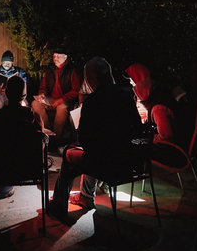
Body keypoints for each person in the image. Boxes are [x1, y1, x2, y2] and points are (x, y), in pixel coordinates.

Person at [48, 57, 141, 220]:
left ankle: (58, 204)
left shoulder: (93, 101)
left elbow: (85, 139)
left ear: (91, 78)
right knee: (95, 150)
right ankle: (85, 196)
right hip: (129, 162)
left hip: (105, 164)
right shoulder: (127, 97)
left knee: (71, 153)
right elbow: (137, 128)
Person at [0, 75, 43, 198]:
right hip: (28, 171)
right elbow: (40, 146)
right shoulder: (34, 118)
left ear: (6, 93)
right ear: (25, 96)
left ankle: (5, 189)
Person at [31, 48, 81, 144]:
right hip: (51, 99)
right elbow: (44, 85)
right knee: (35, 103)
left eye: (58, 56)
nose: (55, 59)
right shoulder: (50, 69)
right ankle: (49, 134)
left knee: (62, 107)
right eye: (54, 56)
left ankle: (55, 139)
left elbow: (76, 89)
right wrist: (42, 93)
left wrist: (62, 99)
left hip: (65, 100)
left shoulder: (72, 70)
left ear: (65, 57)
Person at [124, 63, 178, 143]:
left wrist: (148, 139)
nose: (133, 89)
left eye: (133, 84)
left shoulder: (158, 108)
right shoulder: (158, 98)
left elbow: (166, 138)